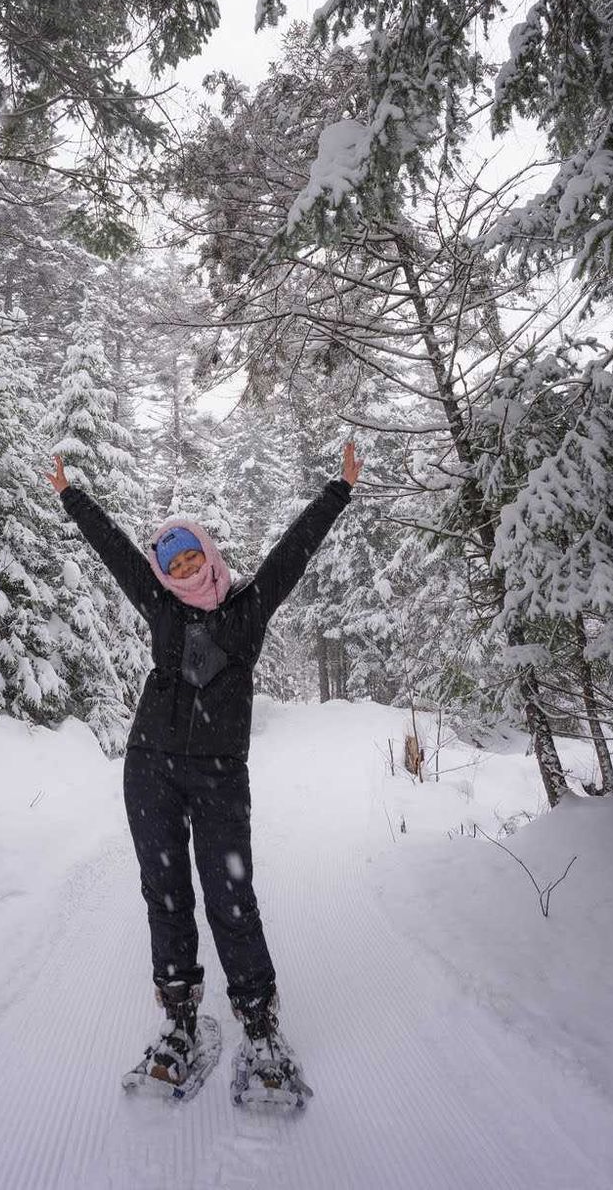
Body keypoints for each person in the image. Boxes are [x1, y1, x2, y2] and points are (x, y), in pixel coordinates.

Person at [44, 442, 361, 1099]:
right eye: (172, 561)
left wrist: (337, 490)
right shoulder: (159, 607)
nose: (183, 567)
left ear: (209, 554)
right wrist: (72, 497)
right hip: (151, 767)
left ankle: (260, 1025)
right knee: (166, 896)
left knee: (230, 898)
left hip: (219, 772)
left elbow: (291, 554)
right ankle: (181, 1022)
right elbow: (118, 556)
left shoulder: (247, 609)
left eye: (190, 555)